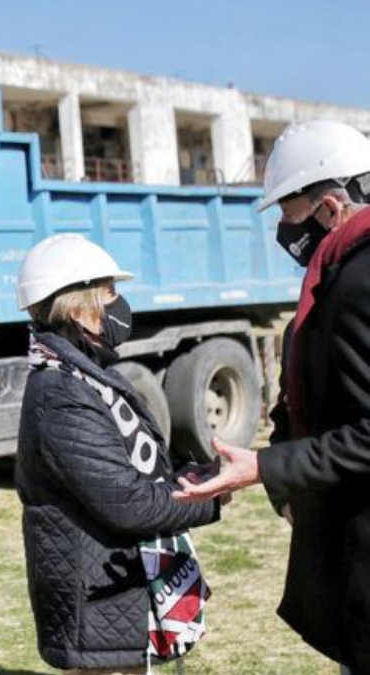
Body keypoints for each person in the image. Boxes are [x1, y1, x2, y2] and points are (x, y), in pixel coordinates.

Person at [173, 120, 370, 674]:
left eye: (288, 212)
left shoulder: (360, 282)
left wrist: (264, 467)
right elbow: (315, 395)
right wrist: (286, 484)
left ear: (329, 207)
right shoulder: (340, 271)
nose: (284, 231)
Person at [15, 234, 222, 675]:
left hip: (113, 583)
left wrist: (190, 477)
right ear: (79, 308)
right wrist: (209, 499)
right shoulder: (61, 393)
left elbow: (133, 469)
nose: (120, 304)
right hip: (94, 593)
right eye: (110, 292)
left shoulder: (85, 374)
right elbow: (127, 503)